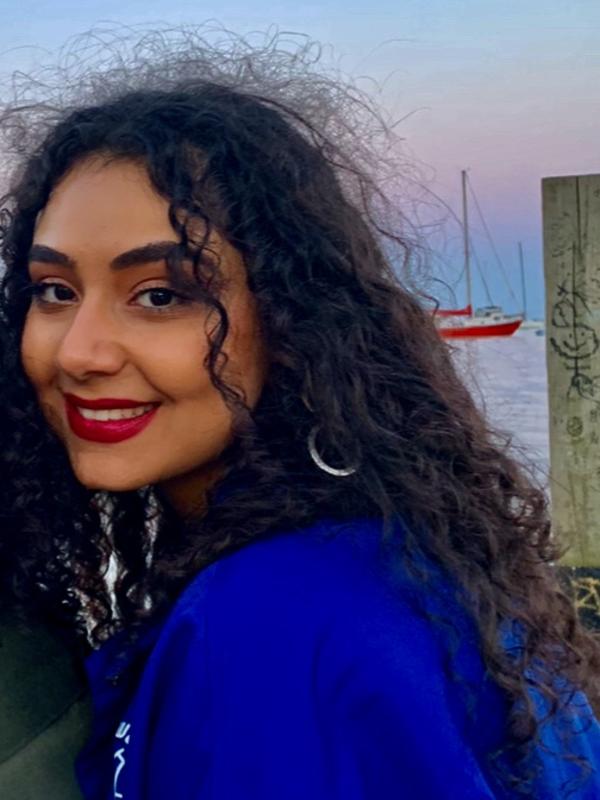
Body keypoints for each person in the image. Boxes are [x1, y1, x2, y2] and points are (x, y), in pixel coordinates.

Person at [0, 26, 598, 800]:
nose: (80, 352)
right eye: (55, 291)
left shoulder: (269, 624)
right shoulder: (393, 560)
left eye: (162, 295)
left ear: (293, 321)